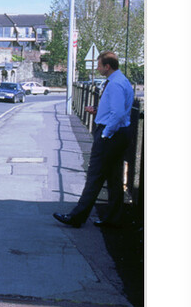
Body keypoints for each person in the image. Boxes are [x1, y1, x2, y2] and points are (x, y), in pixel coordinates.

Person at [53, 51, 134, 229]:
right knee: (114, 178)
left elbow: (118, 113)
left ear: (107, 66)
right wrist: (99, 111)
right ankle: (113, 218)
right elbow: (118, 110)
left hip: (111, 134)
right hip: (120, 133)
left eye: (99, 65)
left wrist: (106, 133)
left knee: (95, 176)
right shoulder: (122, 81)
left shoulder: (114, 84)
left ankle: (77, 217)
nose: (97, 68)